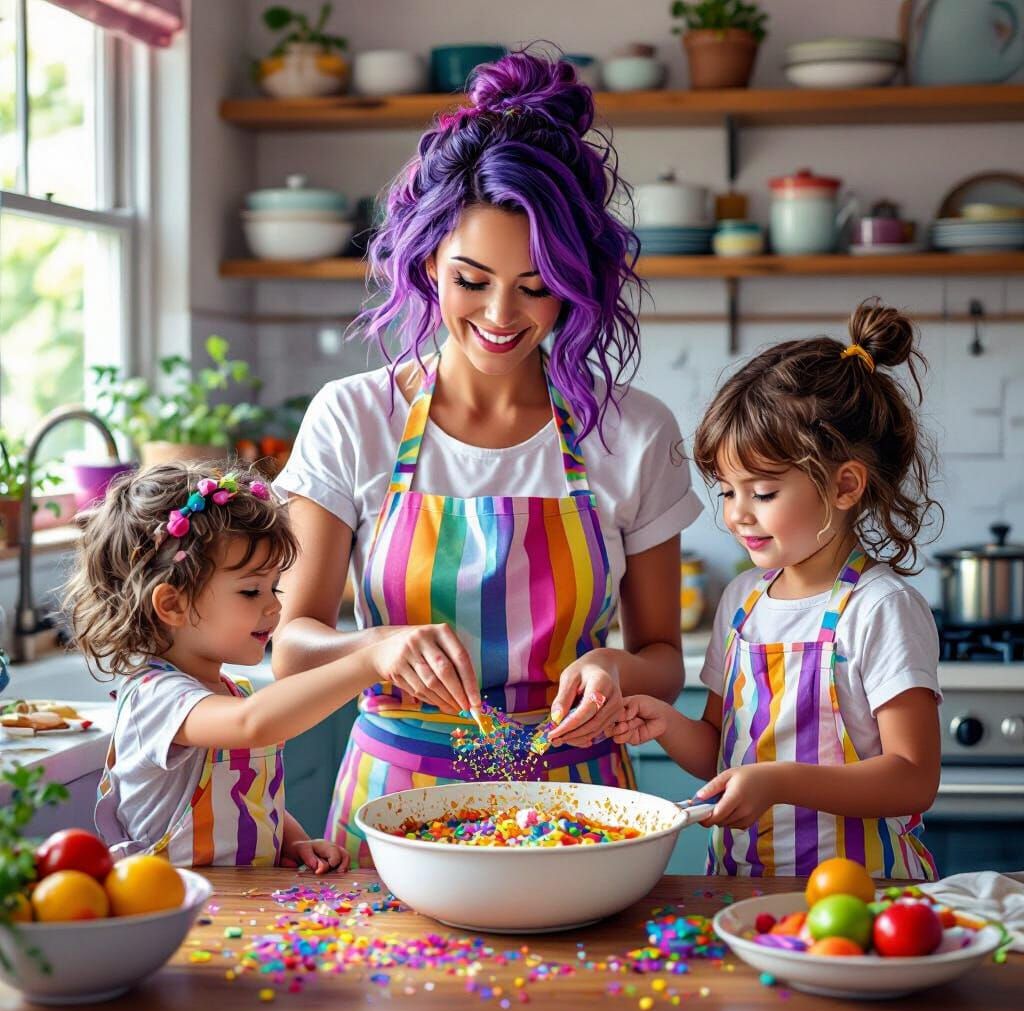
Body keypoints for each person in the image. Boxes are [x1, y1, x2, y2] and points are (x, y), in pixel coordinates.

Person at [271, 49, 704, 866]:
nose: (503, 315)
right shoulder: (356, 417)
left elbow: (664, 661)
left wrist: (614, 665)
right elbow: (292, 645)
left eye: (536, 287)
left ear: (575, 286)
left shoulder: (631, 432)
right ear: (428, 260)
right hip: (389, 817)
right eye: (472, 279)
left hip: (584, 814)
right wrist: (375, 650)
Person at [613, 301, 942, 879]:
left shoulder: (880, 609)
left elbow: (914, 777)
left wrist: (780, 781)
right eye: (726, 492)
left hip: (864, 898)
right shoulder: (743, 602)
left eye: (762, 493)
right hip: (742, 893)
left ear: (844, 485)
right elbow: (718, 746)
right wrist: (665, 723)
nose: (737, 515)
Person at [64, 462, 416, 871]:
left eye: (274, 587)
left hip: (239, 906)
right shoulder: (155, 699)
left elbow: (246, 799)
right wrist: (370, 660)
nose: (275, 606)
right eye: (251, 590)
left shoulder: (232, 693)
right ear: (173, 604)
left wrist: (293, 841)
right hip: (176, 912)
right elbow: (254, 723)